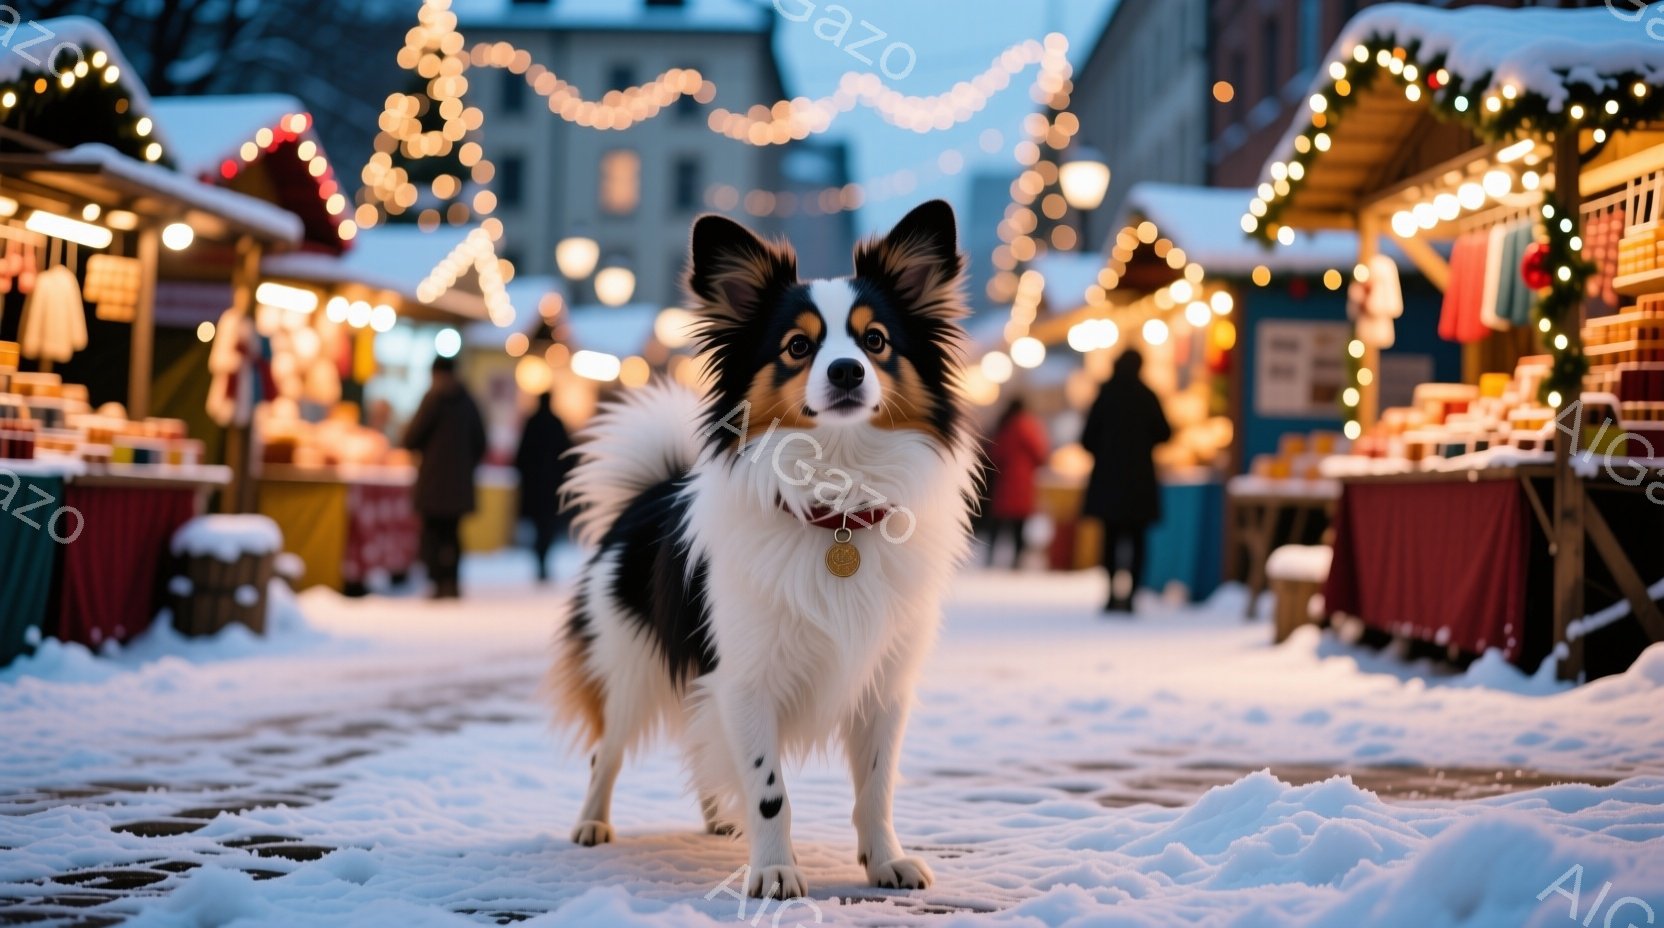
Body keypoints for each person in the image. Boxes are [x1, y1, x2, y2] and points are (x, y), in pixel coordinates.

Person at [1080, 349, 1172, 614]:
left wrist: (1107, 451)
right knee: (1137, 540)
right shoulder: (1147, 396)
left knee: (1110, 539)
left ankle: (1111, 594)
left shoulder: (1105, 395)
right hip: (1139, 481)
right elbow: (1164, 433)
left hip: (1108, 480)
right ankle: (1131, 595)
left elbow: (1087, 439)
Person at [403, 356, 486, 599]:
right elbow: (481, 442)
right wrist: (465, 467)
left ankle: (438, 582)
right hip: (459, 485)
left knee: (432, 534)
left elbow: (411, 439)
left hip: (433, 482)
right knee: (452, 533)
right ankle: (452, 582)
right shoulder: (468, 402)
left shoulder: (432, 400)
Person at [514, 391, 574, 582]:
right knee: (547, 528)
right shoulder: (556, 423)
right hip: (552, 487)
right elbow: (568, 456)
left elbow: (521, 455)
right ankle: (543, 561)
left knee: (538, 527)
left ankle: (540, 562)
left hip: (534, 488)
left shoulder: (532, 423)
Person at [984, 397, 1049, 569]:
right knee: (1018, 525)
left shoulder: (1004, 425)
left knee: (997, 524)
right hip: (1022, 482)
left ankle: (990, 558)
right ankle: (1016, 561)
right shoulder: (1028, 426)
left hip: (1004, 481)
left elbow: (995, 453)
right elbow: (1040, 453)